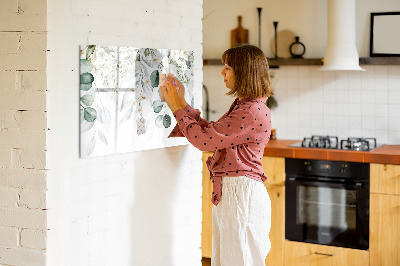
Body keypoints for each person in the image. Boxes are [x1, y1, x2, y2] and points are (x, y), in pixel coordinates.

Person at [161, 44, 273, 266]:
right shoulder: (246, 106)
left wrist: (176, 108)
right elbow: (212, 133)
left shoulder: (250, 111)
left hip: (241, 195)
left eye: (228, 67)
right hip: (236, 193)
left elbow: (204, 141)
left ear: (244, 72)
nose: (222, 72)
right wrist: (182, 103)